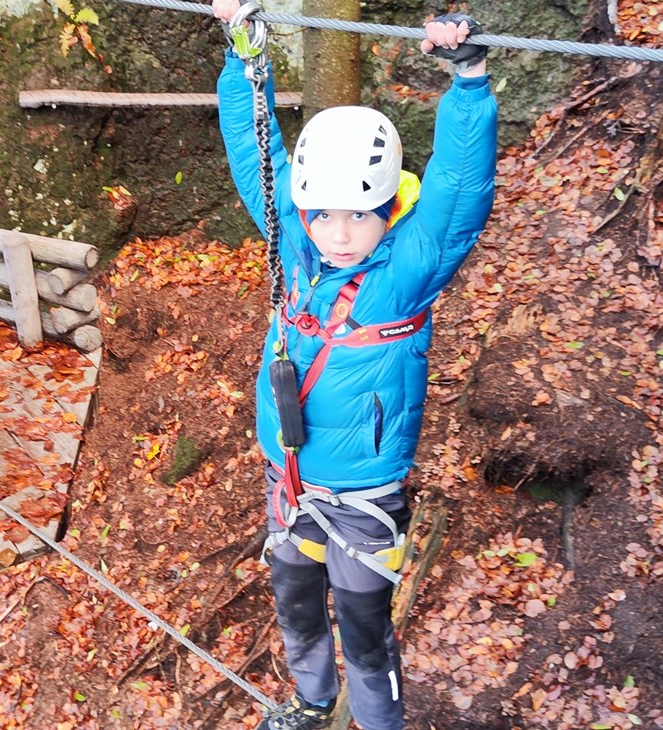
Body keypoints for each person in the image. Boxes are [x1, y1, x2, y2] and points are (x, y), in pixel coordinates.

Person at [212, 2, 500, 728]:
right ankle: (311, 706)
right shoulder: (294, 246)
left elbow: (458, 193)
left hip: (366, 499)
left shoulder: (407, 269)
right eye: (324, 215)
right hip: (290, 481)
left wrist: (467, 81)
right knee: (296, 607)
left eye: (359, 215)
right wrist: (245, 54)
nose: (339, 234)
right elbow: (257, 156)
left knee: (368, 639)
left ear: (386, 209)